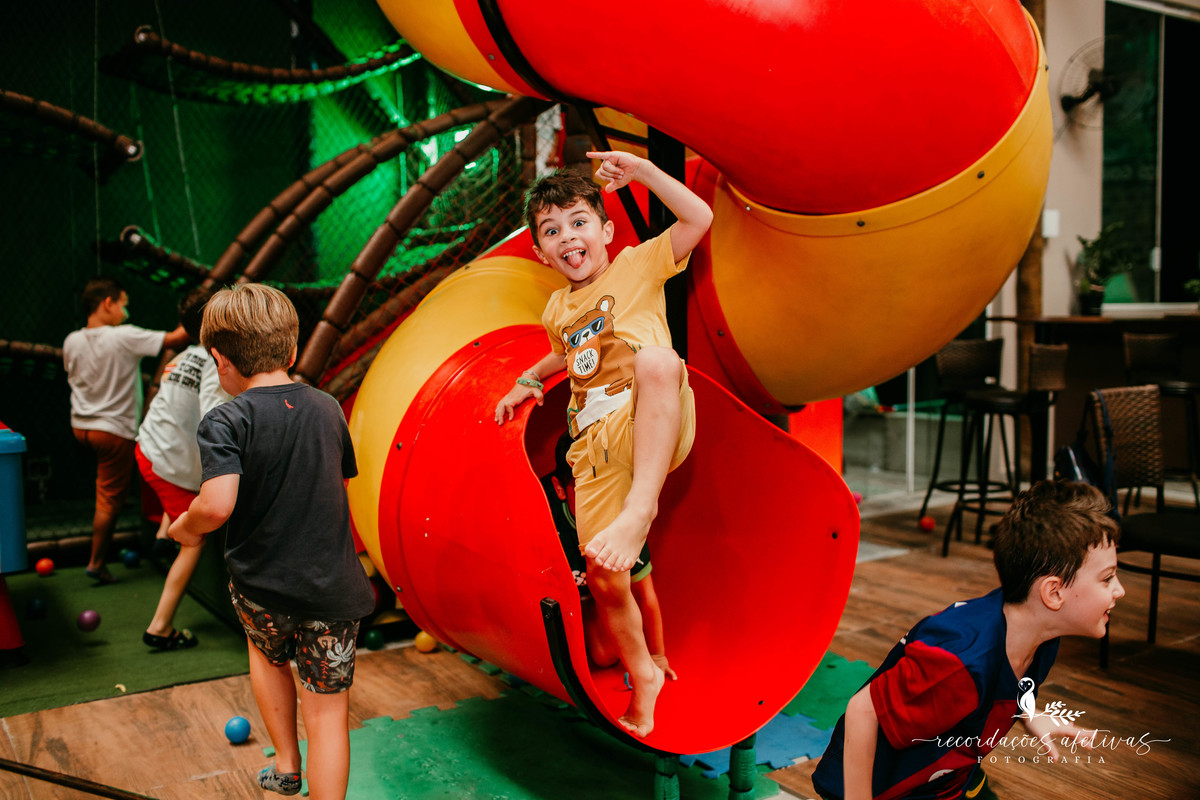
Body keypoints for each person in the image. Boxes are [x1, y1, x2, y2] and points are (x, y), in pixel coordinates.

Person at [494, 151, 712, 738]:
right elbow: (569, 352)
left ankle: (642, 507)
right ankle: (643, 673)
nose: (568, 235)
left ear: (607, 231)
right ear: (540, 252)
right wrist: (529, 379)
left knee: (661, 360)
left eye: (579, 220)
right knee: (606, 576)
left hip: (653, 424)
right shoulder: (557, 308)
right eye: (552, 229)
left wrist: (642, 174)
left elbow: (699, 219)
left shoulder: (638, 265)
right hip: (595, 450)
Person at [168, 283, 373, 798]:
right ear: (293, 350)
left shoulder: (225, 420)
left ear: (221, 360)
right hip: (332, 589)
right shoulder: (328, 407)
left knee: (266, 655)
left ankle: (286, 764)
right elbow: (339, 484)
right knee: (328, 713)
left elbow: (216, 504)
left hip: (263, 588)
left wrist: (185, 528)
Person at [811, 481, 1125, 800]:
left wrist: (1030, 714)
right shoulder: (962, 663)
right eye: (1107, 578)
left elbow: (1006, 682)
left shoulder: (1040, 634)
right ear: (1054, 592)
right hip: (881, 788)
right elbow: (863, 711)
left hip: (950, 776)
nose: (1119, 590)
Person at [63, 277, 189, 584]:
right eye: (123, 304)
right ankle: (96, 563)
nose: (125, 313)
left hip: (81, 427)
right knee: (107, 499)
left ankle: (120, 499)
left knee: (109, 486)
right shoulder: (123, 336)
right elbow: (174, 339)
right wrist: (201, 313)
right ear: (107, 303)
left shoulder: (71, 340)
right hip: (113, 432)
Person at [136, 287, 230, 651]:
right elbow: (210, 416)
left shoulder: (186, 354)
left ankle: (163, 535)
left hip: (148, 449)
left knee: (181, 491)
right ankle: (160, 627)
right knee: (193, 539)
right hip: (169, 467)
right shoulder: (213, 363)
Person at [542, 432, 676, 682]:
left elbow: (646, 595)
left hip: (590, 593)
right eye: (585, 491)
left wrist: (658, 656)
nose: (599, 504)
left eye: (606, 490)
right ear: (560, 488)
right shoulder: (543, 510)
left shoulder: (621, 519)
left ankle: (591, 604)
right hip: (549, 597)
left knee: (605, 656)